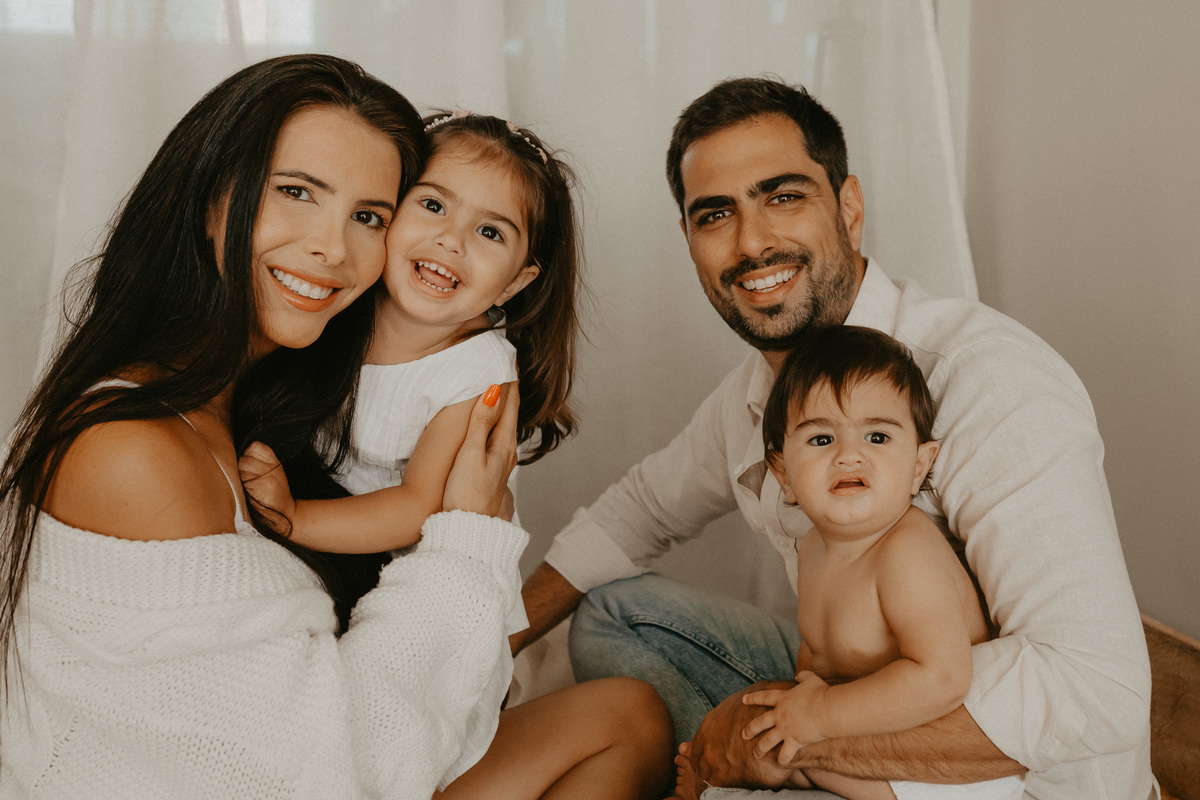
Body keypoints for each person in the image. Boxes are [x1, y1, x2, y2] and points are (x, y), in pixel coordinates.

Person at [0, 54, 671, 799]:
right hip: (308, 776)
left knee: (630, 716)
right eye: (296, 192)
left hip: (327, 734)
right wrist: (467, 538)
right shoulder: (130, 451)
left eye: (368, 216)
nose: (333, 248)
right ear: (211, 193)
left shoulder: (272, 387)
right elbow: (307, 776)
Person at [513, 77, 1154, 799]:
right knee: (615, 616)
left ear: (848, 208)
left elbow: (1096, 690)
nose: (752, 242)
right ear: (690, 242)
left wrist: (798, 746)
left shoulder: (987, 377)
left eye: (783, 196)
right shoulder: (757, 396)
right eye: (715, 214)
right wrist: (483, 645)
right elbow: (638, 512)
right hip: (845, 699)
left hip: (1015, 776)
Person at [238, 108, 584, 788]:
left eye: (490, 232)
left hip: (421, 583)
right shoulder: (343, 299)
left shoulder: (476, 373)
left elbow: (419, 508)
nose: (451, 240)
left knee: (400, 738)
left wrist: (292, 517)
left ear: (516, 281)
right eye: (432, 205)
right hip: (338, 557)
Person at [669, 325, 1021, 800]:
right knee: (765, 727)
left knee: (774, 752)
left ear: (919, 466)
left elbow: (943, 677)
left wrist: (818, 716)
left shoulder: (906, 553)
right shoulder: (814, 547)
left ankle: (729, 786)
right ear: (783, 474)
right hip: (857, 734)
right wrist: (801, 701)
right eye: (821, 440)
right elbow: (818, 654)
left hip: (940, 769)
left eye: (877, 436)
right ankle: (731, 778)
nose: (849, 456)